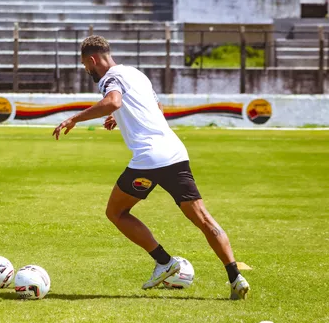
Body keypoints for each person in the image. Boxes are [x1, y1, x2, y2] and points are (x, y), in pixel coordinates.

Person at [52, 35, 250, 300]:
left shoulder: (108, 79)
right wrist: (120, 117)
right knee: (202, 218)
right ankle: (235, 277)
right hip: (175, 152)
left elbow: (113, 100)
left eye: (85, 65)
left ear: (92, 60)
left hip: (148, 159)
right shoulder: (135, 73)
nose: (87, 70)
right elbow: (156, 106)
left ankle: (165, 262)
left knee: (116, 212)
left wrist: (75, 118)